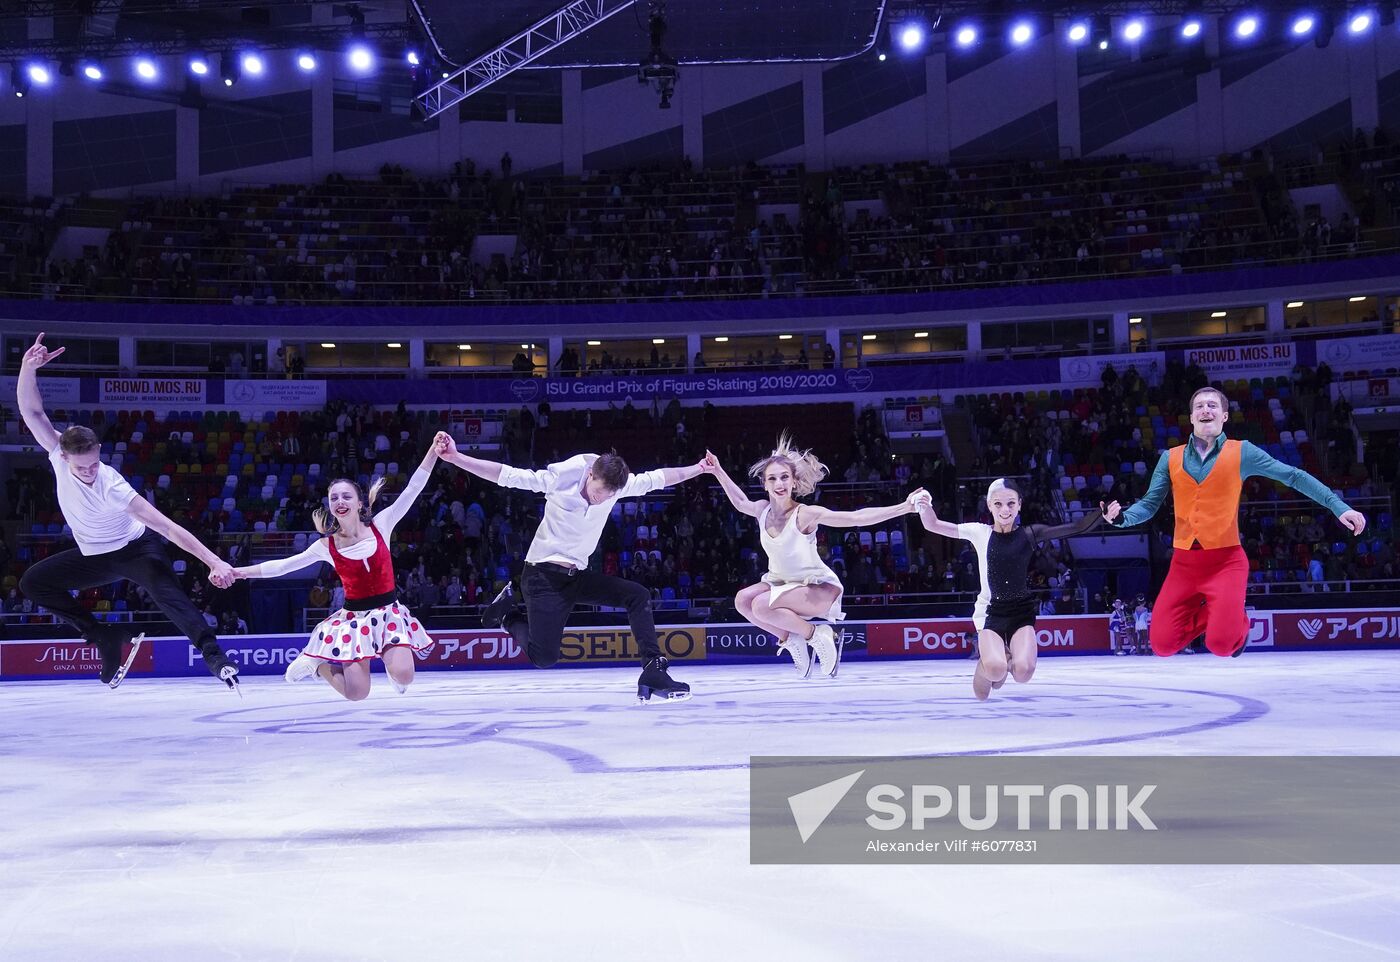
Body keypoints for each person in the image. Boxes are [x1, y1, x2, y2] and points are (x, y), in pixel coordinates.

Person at [15, 333, 240, 690]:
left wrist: (213, 561)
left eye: (93, 464)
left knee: (169, 596)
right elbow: (32, 412)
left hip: (136, 550)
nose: (89, 471)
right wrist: (28, 369)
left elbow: (168, 528)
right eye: (81, 467)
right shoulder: (58, 453)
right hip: (95, 555)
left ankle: (215, 656)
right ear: (64, 456)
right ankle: (103, 635)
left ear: (99, 450)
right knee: (33, 583)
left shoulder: (113, 486)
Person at [434, 432, 703, 701]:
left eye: (607, 496)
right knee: (544, 658)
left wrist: (700, 468)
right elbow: (507, 475)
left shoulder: (618, 486)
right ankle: (507, 615)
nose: (600, 499)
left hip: (577, 577)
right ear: (590, 475)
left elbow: (659, 478)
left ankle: (653, 669)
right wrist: (456, 458)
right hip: (542, 577)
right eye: (598, 492)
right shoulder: (561, 478)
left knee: (638, 595)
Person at [1112, 386, 1366, 657]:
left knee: (1221, 645)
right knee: (1162, 646)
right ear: (1191, 416)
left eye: (1212, 405)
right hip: (1184, 565)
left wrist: (1338, 507)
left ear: (1224, 416)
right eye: (1199, 406)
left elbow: (1293, 476)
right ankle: (1224, 611)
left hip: (1225, 563)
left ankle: (1236, 620)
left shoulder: (1242, 452)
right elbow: (1150, 504)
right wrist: (1121, 518)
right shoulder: (1170, 457)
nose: (1205, 410)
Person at [230, 442, 440, 700]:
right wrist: (239, 572)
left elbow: (413, 489)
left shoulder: (381, 525)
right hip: (354, 621)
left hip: (389, 614)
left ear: (361, 503)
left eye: (346, 496)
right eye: (334, 498)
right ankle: (318, 665)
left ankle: (392, 668)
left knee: (405, 675)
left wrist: (432, 450)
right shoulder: (326, 546)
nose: (340, 501)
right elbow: (283, 566)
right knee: (357, 694)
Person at [704, 437, 927, 677]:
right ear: (764, 483)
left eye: (784, 477)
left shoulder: (805, 514)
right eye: (772, 478)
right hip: (781, 582)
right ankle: (791, 638)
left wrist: (903, 507)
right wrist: (717, 471)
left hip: (816, 587)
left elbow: (855, 518)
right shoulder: (762, 510)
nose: (779, 483)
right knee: (742, 600)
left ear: (794, 482)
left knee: (760, 605)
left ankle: (818, 634)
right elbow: (739, 501)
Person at [915, 479, 1119, 700]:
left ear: (1020, 504)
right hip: (990, 612)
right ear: (989, 506)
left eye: (1011, 503)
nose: (1005, 510)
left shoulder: (1030, 534)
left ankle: (1004, 657)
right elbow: (932, 525)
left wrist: (1102, 515)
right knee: (989, 683)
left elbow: (1076, 527)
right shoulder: (979, 532)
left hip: (1020, 611)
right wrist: (923, 505)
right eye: (999, 504)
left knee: (1023, 674)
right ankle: (993, 662)